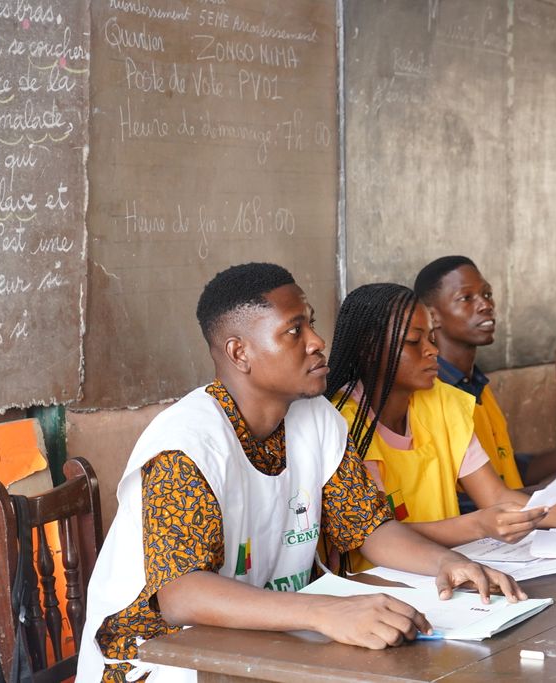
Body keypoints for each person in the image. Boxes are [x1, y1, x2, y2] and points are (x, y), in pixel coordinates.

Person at [77, 264, 524, 683]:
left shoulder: (317, 418)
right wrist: (322, 612)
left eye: (310, 323)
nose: (316, 341)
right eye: (294, 331)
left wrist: (449, 563)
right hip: (157, 658)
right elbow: (181, 595)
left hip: (257, 644)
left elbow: (367, 529)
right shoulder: (187, 443)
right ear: (240, 352)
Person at [325, 283, 556, 570]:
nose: (432, 351)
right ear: (370, 350)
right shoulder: (343, 423)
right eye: (414, 342)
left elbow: (495, 497)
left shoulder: (443, 401)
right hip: (379, 579)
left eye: (431, 338)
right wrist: (478, 525)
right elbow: (380, 536)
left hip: (453, 565)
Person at [413, 256, 556, 506]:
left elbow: (506, 470)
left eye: (487, 294)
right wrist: (547, 495)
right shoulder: (431, 394)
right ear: (432, 317)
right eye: (466, 298)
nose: (485, 305)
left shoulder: (477, 385)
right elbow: (452, 504)